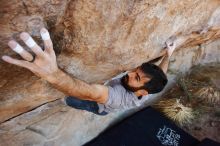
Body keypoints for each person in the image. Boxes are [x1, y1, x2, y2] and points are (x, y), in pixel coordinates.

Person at [2, 28, 176, 115]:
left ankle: (66, 102)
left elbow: (92, 93)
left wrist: (53, 74)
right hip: (111, 97)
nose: (129, 73)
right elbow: (162, 72)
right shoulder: (150, 88)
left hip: (99, 106)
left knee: (74, 99)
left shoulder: (118, 98)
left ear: (142, 91)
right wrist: (169, 54)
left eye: (136, 77)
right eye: (135, 70)